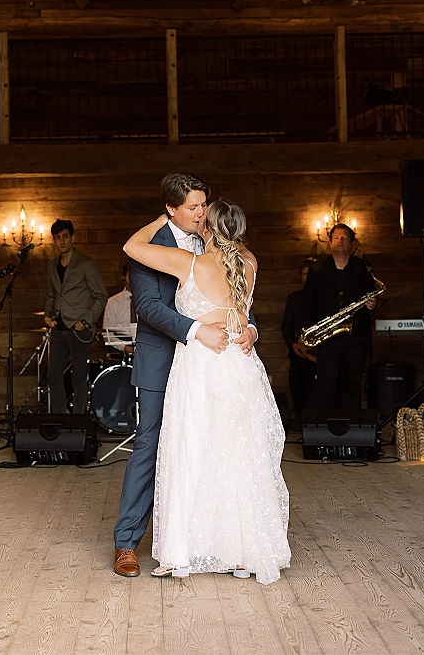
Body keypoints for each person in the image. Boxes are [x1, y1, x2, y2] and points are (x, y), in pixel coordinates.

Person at [122, 199, 290, 584]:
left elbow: (132, 247)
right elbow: (241, 313)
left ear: (208, 229)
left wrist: (163, 218)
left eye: (203, 214)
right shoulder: (249, 262)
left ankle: (180, 553)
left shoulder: (189, 263)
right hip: (240, 365)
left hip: (200, 363)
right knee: (238, 455)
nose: (197, 216)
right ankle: (242, 554)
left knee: (190, 451)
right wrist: (251, 330)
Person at [301, 224, 378, 409]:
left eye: (344, 238)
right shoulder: (317, 269)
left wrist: (372, 304)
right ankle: (324, 424)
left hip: (356, 337)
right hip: (328, 337)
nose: (340, 241)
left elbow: (371, 296)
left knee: (352, 384)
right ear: (330, 243)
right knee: (326, 384)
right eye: (336, 238)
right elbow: (308, 302)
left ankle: (351, 424)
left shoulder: (363, 268)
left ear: (351, 243)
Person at [44, 219, 107, 414]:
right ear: (53, 240)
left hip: (79, 329)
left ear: (72, 237)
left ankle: (78, 421)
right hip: (59, 327)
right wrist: (47, 315)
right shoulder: (52, 264)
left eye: (65, 236)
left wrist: (85, 322)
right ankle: (60, 419)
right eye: (57, 237)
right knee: (53, 375)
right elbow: (52, 294)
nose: (61, 241)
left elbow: (101, 297)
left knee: (79, 376)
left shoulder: (86, 263)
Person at [281, 258, 317, 427]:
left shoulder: (326, 298)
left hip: (324, 352)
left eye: (311, 274)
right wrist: (293, 345)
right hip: (300, 350)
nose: (308, 277)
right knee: (296, 377)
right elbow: (286, 326)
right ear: (301, 277)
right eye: (304, 274)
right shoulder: (293, 299)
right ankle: (299, 418)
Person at [102, 263, 136, 355]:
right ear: (123, 277)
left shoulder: (147, 301)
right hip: (121, 345)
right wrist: (123, 346)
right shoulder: (114, 302)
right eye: (131, 275)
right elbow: (107, 333)